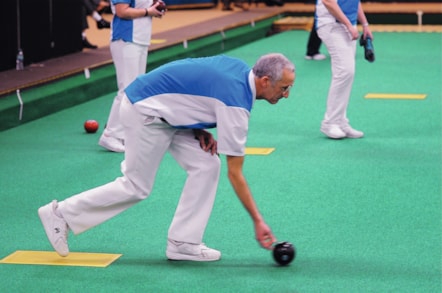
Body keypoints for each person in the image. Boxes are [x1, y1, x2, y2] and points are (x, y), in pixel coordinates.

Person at [38, 53, 296, 261]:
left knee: (206, 164)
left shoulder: (239, 70)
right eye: (284, 88)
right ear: (264, 81)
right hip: (145, 111)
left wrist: (196, 127)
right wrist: (258, 221)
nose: (286, 95)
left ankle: (184, 242)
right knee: (136, 186)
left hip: (167, 113)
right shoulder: (236, 103)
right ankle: (61, 214)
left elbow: (189, 85)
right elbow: (235, 173)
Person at [98, 0, 165, 153]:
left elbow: (142, 6)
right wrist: (149, 12)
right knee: (127, 89)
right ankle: (111, 133)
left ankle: (127, 134)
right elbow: (122, 11)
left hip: (141, 39)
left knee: (136, 90)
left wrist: (155, 7)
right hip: (126, 39)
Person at [316, 0, 373, 139]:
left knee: (347, 73)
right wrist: (348, 25)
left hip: (347, 23)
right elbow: (328, 2)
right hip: (331, 24)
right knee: (345, 72)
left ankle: (341, 121)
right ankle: (329, 123)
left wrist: (365, 24)